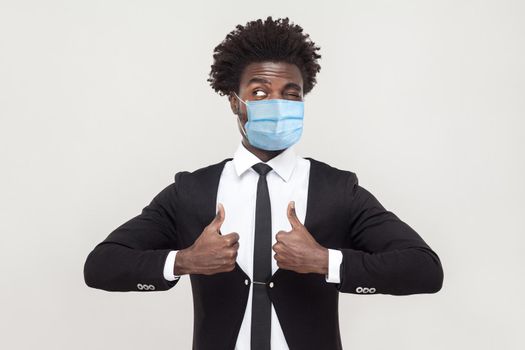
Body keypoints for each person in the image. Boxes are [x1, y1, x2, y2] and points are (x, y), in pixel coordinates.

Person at [83, 16, 444, 350]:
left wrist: (325, 261)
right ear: (234, 102)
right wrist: (185, 260)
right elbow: (101, 265)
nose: (277, 102)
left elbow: (424, 269)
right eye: (259, 92)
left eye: (291, 93)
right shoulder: (192, 191)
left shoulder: (337, 190)